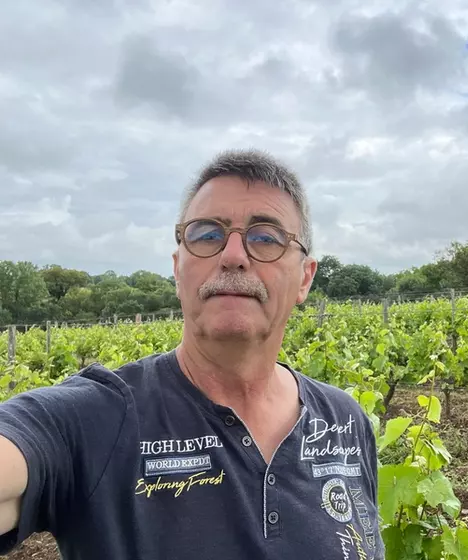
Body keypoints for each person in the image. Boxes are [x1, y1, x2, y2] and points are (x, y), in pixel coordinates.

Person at [0, 149, 385, 559]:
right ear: (177, 267)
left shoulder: (344, 421)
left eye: (266, 237)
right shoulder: (97, 419)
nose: (233, 257)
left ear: (305, 278)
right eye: (206, 235)